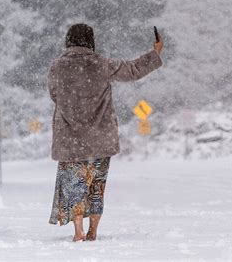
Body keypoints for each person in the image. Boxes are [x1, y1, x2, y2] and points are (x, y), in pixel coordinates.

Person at [47, 23, 163, 241]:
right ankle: (93, 230)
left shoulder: (57, 67)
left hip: (70, 138)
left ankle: (78, 230)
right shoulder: (102, 64)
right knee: (96, 184)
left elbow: (54, 95)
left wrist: (73, 106)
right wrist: (155, 53)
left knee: (75, 184)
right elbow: (134, 69)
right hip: (100, 137)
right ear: (90, 40)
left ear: (68, 40)